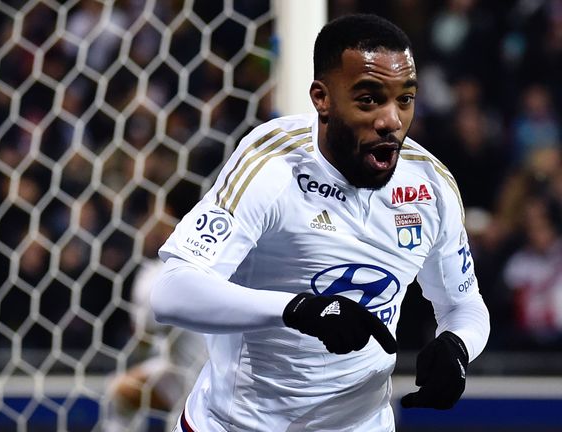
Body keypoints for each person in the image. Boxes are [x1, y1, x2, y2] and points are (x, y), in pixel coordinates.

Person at [150, 14, 490, 431]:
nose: (392, 121)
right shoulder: (271, 164)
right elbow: (171, 291)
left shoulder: (431, 185)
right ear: (321, 98)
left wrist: (457, 346)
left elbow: (463, 303)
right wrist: (297, 309)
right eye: (369, 99)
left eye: (405, 99)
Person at [102, 258, 207, 432]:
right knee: (122, 390)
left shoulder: (163, 276)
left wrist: (142, 346)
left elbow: (144, 334)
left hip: (202, 390)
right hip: (186, 373)